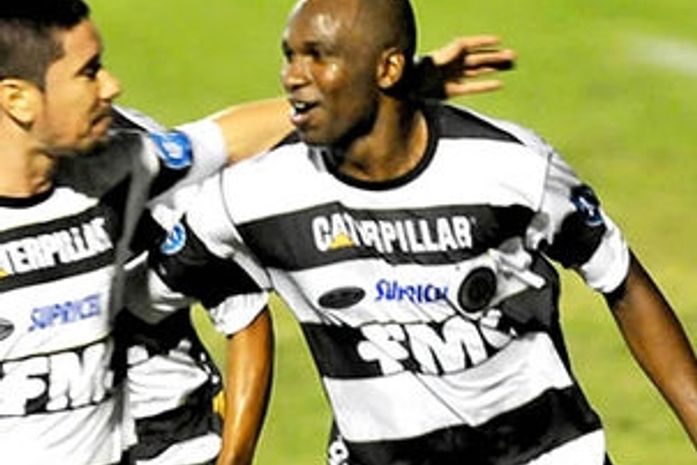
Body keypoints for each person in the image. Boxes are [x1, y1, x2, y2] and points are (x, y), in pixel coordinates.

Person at [148, 0, 697, 464]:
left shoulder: (510, 169)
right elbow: (147, 290)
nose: (293, 75)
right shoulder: (255, 197)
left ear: (388, 68)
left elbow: (622, 281)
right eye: (289, 55)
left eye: (317, 55)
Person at [0, 1, 516, 464]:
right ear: (18, 99)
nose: (111, 85)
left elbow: (226, 138)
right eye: (88, 73)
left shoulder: (119, 167)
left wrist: (391, 88)